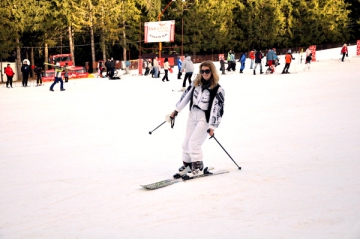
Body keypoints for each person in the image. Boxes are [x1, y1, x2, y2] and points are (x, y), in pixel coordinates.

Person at [169, 61, 225, 179]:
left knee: (194, 143)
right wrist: (176, 111)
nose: (204, 74)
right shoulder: (195, 84)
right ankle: (188, 165)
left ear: (212, 72)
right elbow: (185, 97)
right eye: (202, 71)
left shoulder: (217, 89)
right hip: (193, 114)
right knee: (186, 142)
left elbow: (218, 108)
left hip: (204, 118)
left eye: (207, 71)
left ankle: (198, 167)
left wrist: (212, 126)